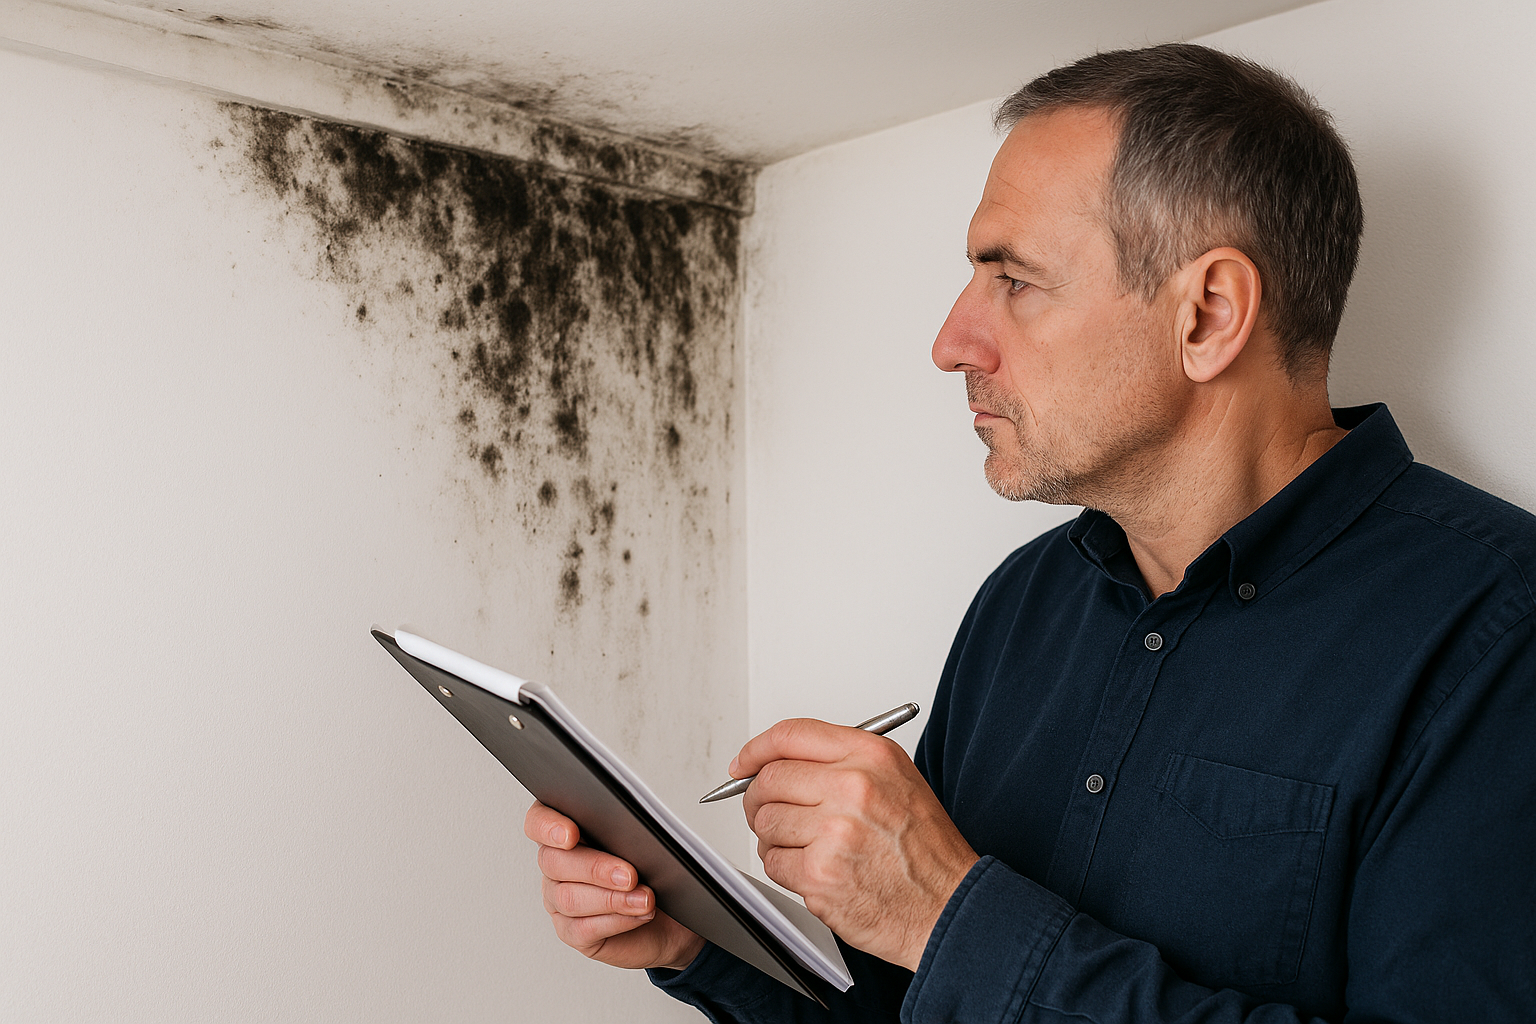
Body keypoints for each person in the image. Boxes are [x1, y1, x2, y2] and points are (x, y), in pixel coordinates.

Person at [524, 43, 1536, 1023]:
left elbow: (950, 942)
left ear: (1208, 315)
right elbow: (925, 996)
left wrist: (952, 914)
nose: (950, 343)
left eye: (1012, 279)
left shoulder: (1499, 627)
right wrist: (705, 941)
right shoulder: (1024, 603)